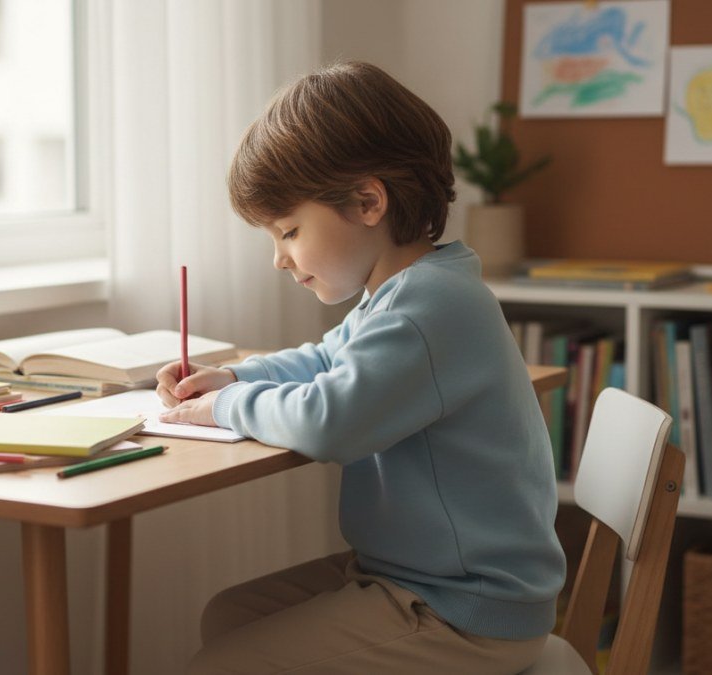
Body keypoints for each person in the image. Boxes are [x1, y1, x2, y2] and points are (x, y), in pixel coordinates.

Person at [156, 61, 565, 674]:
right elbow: (327, 359)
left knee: (219, 663)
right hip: (422, 580)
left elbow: (331, 421)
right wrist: (238, 376)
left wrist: (223, 407)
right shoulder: (405, 292)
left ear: (368, 201)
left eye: (289, 231)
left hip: (463, 609)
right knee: (228, 617)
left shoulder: (432, 307)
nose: (279, 259)